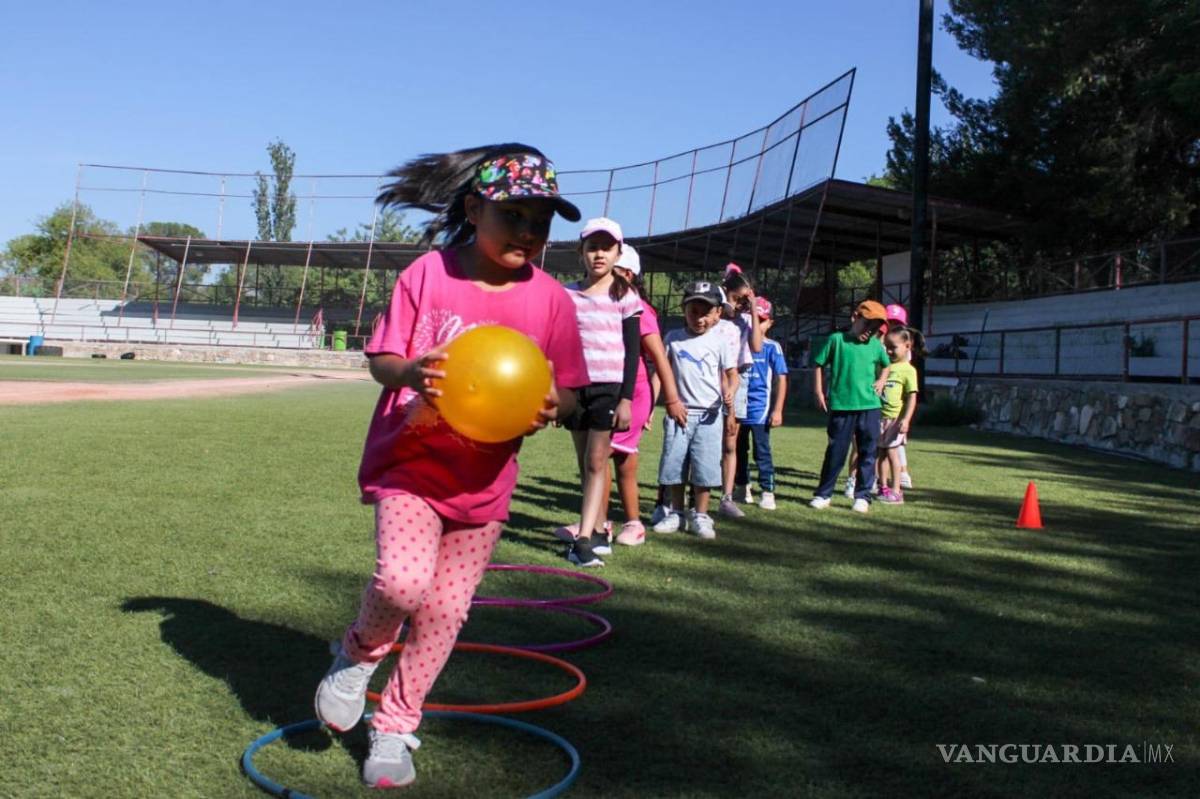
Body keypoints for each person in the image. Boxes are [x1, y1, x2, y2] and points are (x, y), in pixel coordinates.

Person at [313, 144, 589, 790]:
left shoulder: (552, 300)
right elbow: (382, 358)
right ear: (474, 208)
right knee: (402, 585)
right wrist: (411, 371)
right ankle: (357, 653)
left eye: (541, 222)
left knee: (444, 611)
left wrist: (557, 403)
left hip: (485, 482)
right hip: (411, 462)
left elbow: (573, 390)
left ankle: (395, 725)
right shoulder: (428, 275)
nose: (528, 232)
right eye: (514, 216)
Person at [556, 217, 643, 567]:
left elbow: (633, 350)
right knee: (584, 463)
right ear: (581, 252)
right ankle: (594, 529)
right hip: (574, 389)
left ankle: (583, 540)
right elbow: (558, 345)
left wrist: (625, 398)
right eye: (592, 247)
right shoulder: (567, 294)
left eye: (607, 247)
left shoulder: (626, 295)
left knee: (597, 461)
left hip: (608, 390)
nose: (599, 254)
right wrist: (556, 394)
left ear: (618, 253)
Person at [601, 244, 687, 545]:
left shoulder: (639, 308)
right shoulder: (603, 303)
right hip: (606, 390)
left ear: (627, 273)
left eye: (612, 270)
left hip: (633, 392)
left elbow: (659, 358)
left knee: (605, 456)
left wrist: (672, 399)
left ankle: (616, 524)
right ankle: (607, 523)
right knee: (614, 461)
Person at [653, 281, 739, 538]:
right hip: (679, 413)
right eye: (693, 312)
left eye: (706, 312)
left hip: (710, 416)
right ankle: (677, 513)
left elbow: (733, 375)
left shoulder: (721, 341)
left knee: (704, 467)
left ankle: (701, 515)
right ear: (684, 311)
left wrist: (731, 394)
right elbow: (661, 373)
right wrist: (654, 406)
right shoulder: (673, 339)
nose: (699, 318)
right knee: (675, 465)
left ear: (717, 314)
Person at [809, 300, 891, 513]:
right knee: (836, 450)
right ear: (855, 318)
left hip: (870, 406)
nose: (870, 331)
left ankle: (863, 496)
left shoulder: (875, 346)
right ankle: (823, 494)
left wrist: (882, 380)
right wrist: (819, 390)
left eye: (875, 327)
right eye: (867, 324)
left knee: (868, 451)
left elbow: (887, 365)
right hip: (842, 406)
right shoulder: (836, 340)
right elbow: (818, 364)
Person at [716, 264, 763, 518]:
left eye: (746, 297)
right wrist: (727, 306)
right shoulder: (716, 312)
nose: (741, 303)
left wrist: (753, 310)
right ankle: (689, 494)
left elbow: (756, 346)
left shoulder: (745, 320)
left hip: (739, 378)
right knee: (705, 438)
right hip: (713, 375)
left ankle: (727, 496)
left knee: (731, 440)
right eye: (738, 297)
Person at [734, 296, 789, 510]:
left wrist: (777, 410)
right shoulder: (738, 343)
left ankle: (767, 491)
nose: (758, 323)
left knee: (761, 451)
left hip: (760, 409)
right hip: (738, 407)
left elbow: (781, 378)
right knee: (738, 450)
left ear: (770, 323)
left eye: (763, 319)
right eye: (754, 318)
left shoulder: (772, 347)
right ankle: (741, 486)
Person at [877, 326, 921, 504]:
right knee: (880, 454)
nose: (889, 351)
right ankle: (883, 487)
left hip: (894, 421)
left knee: (892, 453)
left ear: (907, 346)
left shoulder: (908, 370)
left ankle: (896, 491)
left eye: (893, 347)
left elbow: (912, 398)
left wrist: (906, 419)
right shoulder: (884, 366)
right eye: (886, 346)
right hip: (879, 418)